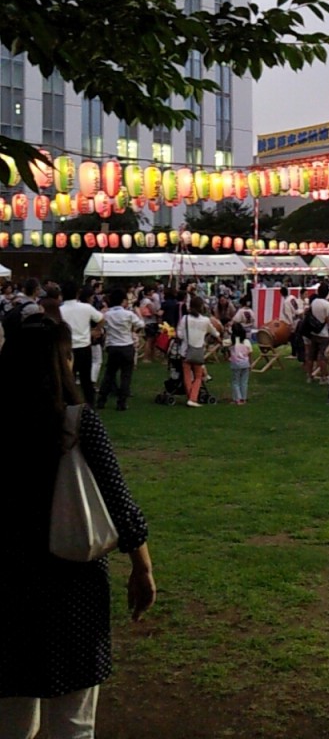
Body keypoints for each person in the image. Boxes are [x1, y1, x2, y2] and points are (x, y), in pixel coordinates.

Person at [0, 314, 156, 738]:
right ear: (63, 361)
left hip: (7, 585)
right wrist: (142, 569)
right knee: (72, 722)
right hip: (72, 584)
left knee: (10, 717)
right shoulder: (77, 422)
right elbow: (120, 505)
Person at [97, 288, 145, 411]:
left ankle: (101, 400)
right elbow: (141, 324)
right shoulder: (128, 314)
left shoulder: (106, 315)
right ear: (123, 301)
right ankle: (122, 402)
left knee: (109, 374)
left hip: (113, 346)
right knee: (126, 375)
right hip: (126, 345)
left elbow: (102, 327)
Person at [59, 281, 104, 406]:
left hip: (68, 349)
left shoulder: (60, 310)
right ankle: (90, 405)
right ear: (77, 293)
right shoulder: (86, 308)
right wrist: (96, 330)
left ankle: (70, 404)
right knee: (86, 380)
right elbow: (101, 318)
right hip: (84, 347)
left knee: (68, 379)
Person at [176, 295, 219, 407]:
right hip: (198, 351)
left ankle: (190, 396)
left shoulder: (184, 319)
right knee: (198, 376)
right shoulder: (205, 320)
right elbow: (214, 332)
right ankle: (193, 398)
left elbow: (179, 335)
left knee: (187, 376)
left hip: (185, 351)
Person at [303, 282, 329, 385]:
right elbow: (328, 319)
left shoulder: (314, 302)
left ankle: (309, 376)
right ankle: (324, 377)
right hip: (324, 333)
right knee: (322, 357)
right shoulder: (327, 305)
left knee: (311, 356)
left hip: (313, 332)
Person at [229, 322, 252, 405]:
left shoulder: (233, 342)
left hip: (236, 364)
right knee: (244, 382)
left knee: (235, 382)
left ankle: (237, 399)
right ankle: (244, 398)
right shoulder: (246, 341)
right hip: (245, 363)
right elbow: (250, 353)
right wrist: (251, 363)